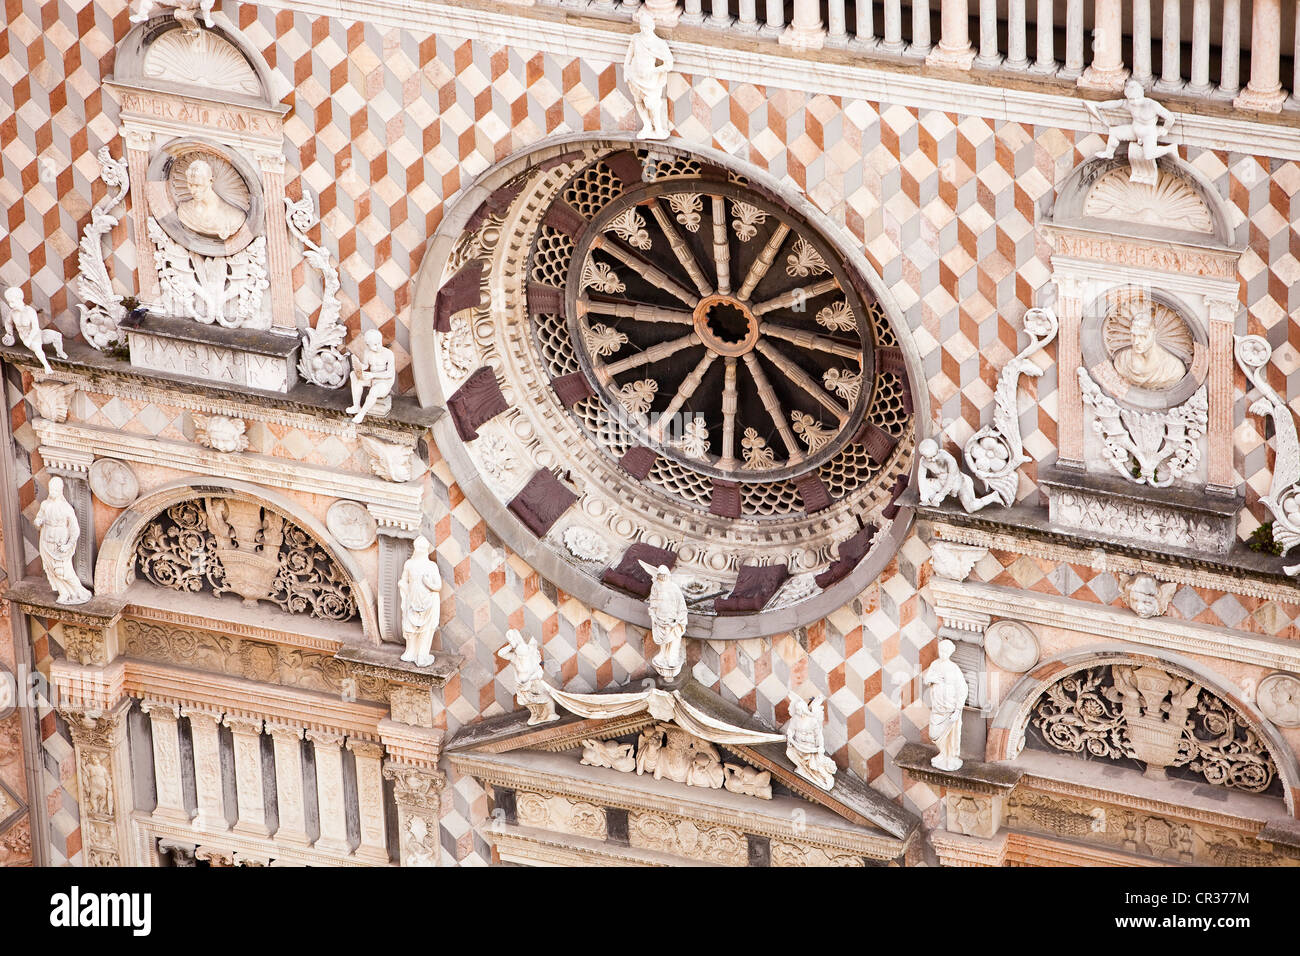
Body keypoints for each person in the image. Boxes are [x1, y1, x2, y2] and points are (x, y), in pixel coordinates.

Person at [36, 477, 92, 605]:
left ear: (60, 490)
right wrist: (39, 521)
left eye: (55, 490)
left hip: (60, 542)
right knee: (50, 569)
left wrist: (68, 545)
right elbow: (39, 517)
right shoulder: (45, 504)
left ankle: (80, 591)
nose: (52, 492)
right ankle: (64, 592)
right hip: (46, 541)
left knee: (63, 571)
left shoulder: (66, 508)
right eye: (51, 490)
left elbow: (75, 529)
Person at [624, 12, 673, 140]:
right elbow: (629, 55)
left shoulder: (659, 43)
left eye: (646, 27)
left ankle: (658, 129)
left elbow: (669, 64)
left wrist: (653, 71)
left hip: (650, 79)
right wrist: (626, 70)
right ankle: (647, 125)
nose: (643, 29)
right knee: (638, 101)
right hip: (634, 75)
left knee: (653, 104)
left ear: (652, 26)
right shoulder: (636, 38)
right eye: (641, 26)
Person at [1112, 309, 1185, 389]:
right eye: (1133, 335)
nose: (1136, 342)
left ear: (1154, 333)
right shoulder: (1122, 360)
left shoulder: (1173, 368)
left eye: (1143, 336)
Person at [924, 639, 968, 771]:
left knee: (950, 735)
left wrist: (957, 711)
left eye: (945, 651)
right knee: (934, 735)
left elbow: (962, 689)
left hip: (950, 708)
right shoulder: (935, 664)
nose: (942, 654)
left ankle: (948, 756)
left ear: (950, 652)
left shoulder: (953, 668)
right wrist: (932, 679)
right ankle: (943, 753)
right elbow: (927, 678)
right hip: (937, 708)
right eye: (941, 651)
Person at [175, 159, 246, 240]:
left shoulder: (234, 217)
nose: (192, 191)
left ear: (210, 181)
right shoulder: (184, 210)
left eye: (198, 185)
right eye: (190, 185)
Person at [398, 535, 441, 667]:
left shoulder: (431, 566)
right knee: (410, 628)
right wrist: (404, 587)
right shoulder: (409, 564)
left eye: (423, 547)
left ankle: (422, 654)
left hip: (429, 602)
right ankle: (411, 652)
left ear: (427, 549)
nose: (421, 549)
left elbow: (438, 586)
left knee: (426, 630)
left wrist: (429, 584)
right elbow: (403, 580)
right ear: (416, 548)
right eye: (419, 547)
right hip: (412, 601)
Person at [2, 287, 67, 375]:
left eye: (12, 302)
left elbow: (35, 327)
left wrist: (30, 338)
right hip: (25, 337)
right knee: (37, 348)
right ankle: (47, 366)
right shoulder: (13, 313)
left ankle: (60, 352)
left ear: (19, 299)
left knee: (57, 336)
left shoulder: (30, 311)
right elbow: (8, 322)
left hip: (35, 333)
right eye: (9, 302)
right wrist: (9, 333)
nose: (10, 305)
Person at [346, 330, 396, 424]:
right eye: (374, 345)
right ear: (368, 345)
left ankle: (361, 413)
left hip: (384, 382)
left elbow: (389, 373)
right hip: (372, 379)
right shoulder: (367, 352)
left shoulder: (388, 354)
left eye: (379, 343)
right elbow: (365, 366)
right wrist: (359, 366)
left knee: (374, 391)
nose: (377, 347)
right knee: (353, 375)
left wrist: (372, 375)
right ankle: (356, 406)